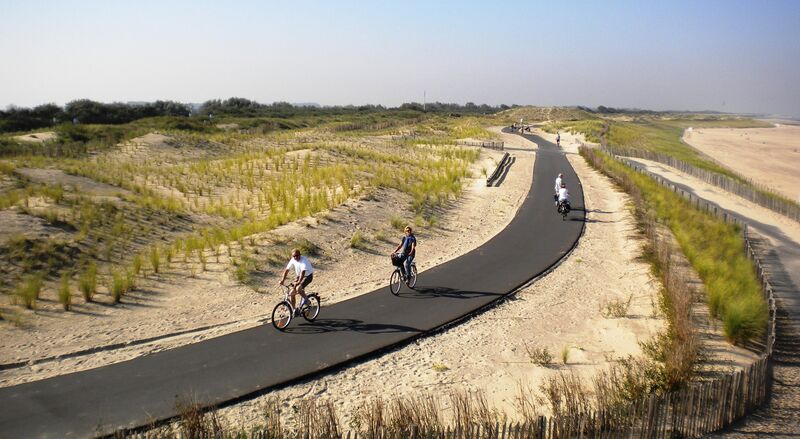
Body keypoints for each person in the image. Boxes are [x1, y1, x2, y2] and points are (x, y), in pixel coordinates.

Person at [279, 248, 314, 313]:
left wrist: (299, 282)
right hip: (299, 276)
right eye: (294, 256)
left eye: (297, 255)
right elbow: (287, 270)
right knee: (292, 293)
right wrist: (282, 280)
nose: (295, 257)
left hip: (308, 276)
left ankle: (307, 300)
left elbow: (303, 272)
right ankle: (294, 309)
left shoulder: (304, 260)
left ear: (300, 255)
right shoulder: (293, 260)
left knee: (298, 288)